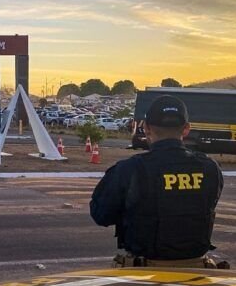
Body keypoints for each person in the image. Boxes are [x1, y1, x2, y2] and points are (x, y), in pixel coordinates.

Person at [90, 95, 223, 268]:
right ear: (186, 129)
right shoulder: (209, 168)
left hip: (144, 277)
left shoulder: (130, 169)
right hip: (196, 275)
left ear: (146, 128)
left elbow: (101, 215)